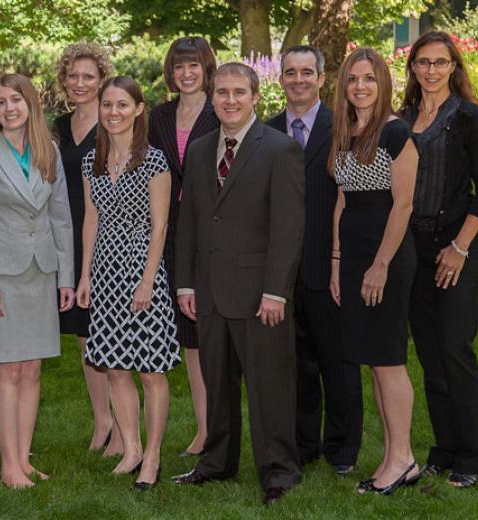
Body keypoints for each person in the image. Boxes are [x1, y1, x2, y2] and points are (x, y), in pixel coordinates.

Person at [171, 63, 305, 507]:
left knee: (269, 385)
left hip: (258, 293)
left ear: (254, 96)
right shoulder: (201, 147)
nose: (230, 100)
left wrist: (276, 291)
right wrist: (186, 284)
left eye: (239, 93)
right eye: (222, 93)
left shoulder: (280, 149)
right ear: (212, 98)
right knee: (216, 383)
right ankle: (216, 462)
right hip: (208, 291)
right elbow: (189, 221)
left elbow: (288, 229)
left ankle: (279, 470)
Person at [0, 73, 75, 489]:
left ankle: (24, 460)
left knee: (32, 371)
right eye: (1, 102)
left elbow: (60, 216)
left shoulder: (48, 151)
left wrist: (66, 276)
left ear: (31, 104)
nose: (9, 108)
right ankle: (8, 465)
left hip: (41, 272)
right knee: (8, 370)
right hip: (3, 276)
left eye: (17, 100)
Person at [400, 31, 478, 488]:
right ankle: (443, 447)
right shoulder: (401, 119)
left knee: (455, 349)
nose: (431, 70)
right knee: (430, 355)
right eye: (423, 62)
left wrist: (459, 248)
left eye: (440, 63)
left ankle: (473, 456)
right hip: (412, 248)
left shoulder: (469, 117)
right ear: (413, 68)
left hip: (456, 244)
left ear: (454, 67)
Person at [76, 76, 181, 492]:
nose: (113, 113)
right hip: (104, 271)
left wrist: (148, 280)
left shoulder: (154, 162)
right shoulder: (92, 162)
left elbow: (161, 228)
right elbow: (91, 219)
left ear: (139, 109)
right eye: (107, 105)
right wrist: (85, 274)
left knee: (151, 370)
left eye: (122, 105)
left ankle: (152, 456)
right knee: (116, 365)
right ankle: (131, 447)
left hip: (142, 270)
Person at [267, 45, 364, 474]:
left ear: (322, 78)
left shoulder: (345, 127)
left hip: (331, 266)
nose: (299, 80)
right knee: (297, 365)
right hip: (282, 271)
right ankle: (303, 444)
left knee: (337, 361)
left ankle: (342, 448)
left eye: (307, 72)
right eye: (291, 72)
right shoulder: (266, 132)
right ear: (281, 78)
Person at [327, 48, 420, 495]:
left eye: (369, 78)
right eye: (353, 79)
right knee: (374, 362)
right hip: (354, 255)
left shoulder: (396, 132)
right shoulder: (348, 130)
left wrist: (380, 265)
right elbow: (343, 199)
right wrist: (337, 260)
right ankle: (391, 456)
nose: (360, 86)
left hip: (388, 253)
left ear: (383, 83)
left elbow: (402, 205)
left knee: (388, 360)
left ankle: (403, 459)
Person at [147, 36, 219, 459]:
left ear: (206, 67)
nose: (186, 73)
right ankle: (205, 428)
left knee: (214, 336)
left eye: (193, 65)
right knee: (191, 337)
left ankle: (220, 428)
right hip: (172, 236)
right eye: (178, 66)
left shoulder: (223, 108)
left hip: (214, 236)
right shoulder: (159, 116)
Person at [53, 41, 122, 455]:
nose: (79, 83)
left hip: (106, 237)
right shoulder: (57, 127)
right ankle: (103, 422)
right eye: (72, 76)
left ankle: (124, 425)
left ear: (101, 80)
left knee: (108, 334)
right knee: (83, 336)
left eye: (88, 77)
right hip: (68, 237)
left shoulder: (112, 124)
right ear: (64, 79)